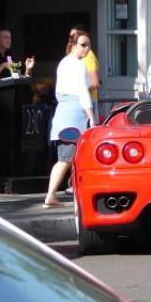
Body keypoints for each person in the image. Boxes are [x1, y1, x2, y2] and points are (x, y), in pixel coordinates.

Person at [44, 30, 95, 208]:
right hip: (72, 115)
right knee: (65, 158)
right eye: (83, 45)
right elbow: (83, 91)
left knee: (71, 158)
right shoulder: (76, 65)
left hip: (65, 112)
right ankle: (50, 196)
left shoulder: (65, 63)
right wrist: (91, 116)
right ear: (74, 45)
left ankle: (62, 194)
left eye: (89, 45)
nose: (87, 48)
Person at [69, 24, 100, 121]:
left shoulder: (87, 56)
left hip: (88, 103)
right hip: (81, 103)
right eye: (70, 37)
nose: (71, 40)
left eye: (73, 37)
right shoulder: (75, 57)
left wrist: (81, 92)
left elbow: (95, 83)